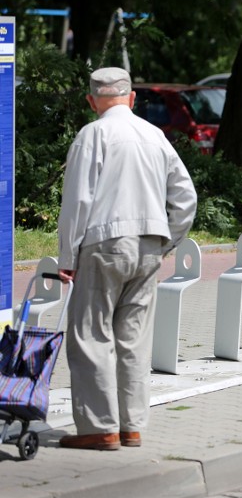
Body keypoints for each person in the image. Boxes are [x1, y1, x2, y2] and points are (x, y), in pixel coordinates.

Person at [57, 67, 197, 451]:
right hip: (149, 244)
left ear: (91, 101)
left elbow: (78, 202)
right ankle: (132, 426)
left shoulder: (93, 134)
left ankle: (100, 429)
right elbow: (186, 198)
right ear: (132, 98)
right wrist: (167, 241)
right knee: (133, 338)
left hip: (104, 244)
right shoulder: (155, 136)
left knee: (90, 334)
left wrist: (67, 255)